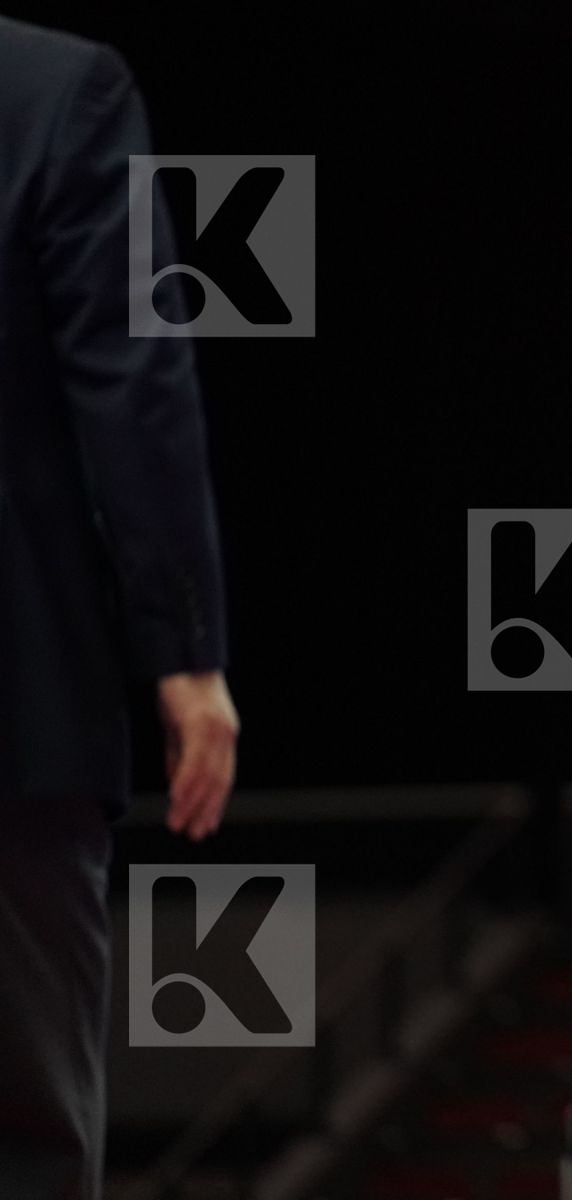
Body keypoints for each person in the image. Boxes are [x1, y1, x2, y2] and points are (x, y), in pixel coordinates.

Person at [0, 17, 240, 1199]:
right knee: (24, 1142)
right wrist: (184, 657)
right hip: (18, 709)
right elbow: (131, 377)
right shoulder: (55, 91)